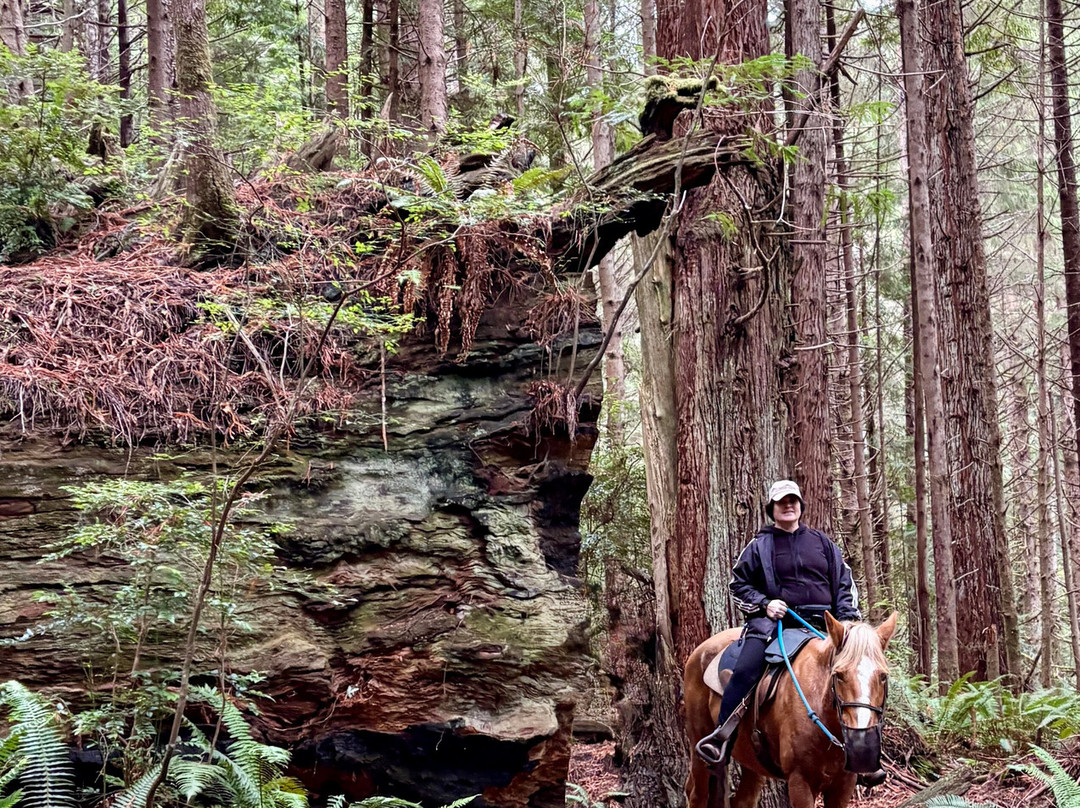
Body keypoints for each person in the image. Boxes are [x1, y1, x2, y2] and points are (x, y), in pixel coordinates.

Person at [695, 479, 885, 786]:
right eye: (782, 501)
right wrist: (765, 604)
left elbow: (844, 586)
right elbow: (738, 585)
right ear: (772, 508)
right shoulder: (759, 546)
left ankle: (866, 755)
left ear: (800, 506)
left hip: (825, 627)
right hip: (773, 625)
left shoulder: (823, 544)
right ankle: (721, 739)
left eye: (793, 500)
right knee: (744, 669)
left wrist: (846, 624)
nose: (788, 505)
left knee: (864, 679)